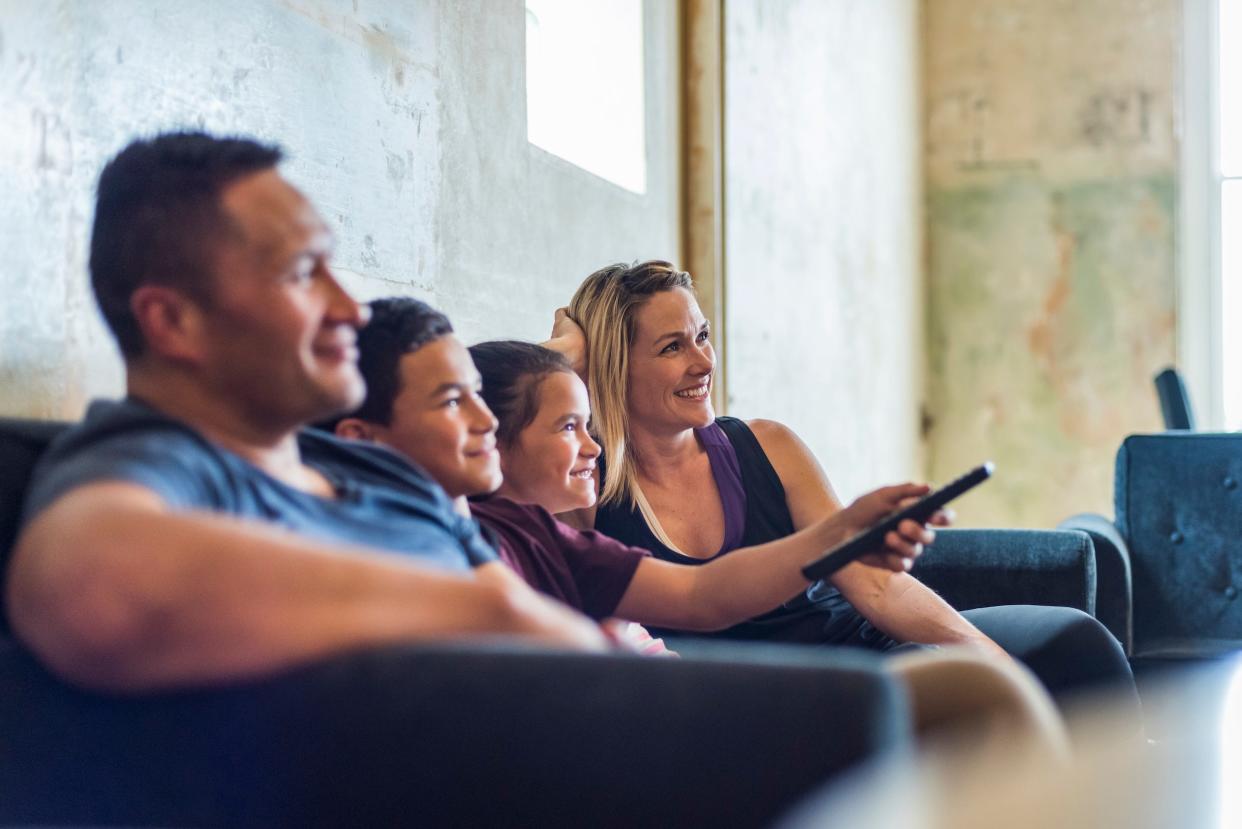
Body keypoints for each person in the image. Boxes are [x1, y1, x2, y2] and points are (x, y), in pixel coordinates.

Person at [5, 131, 614, 693]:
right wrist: (489, 615)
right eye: (302, 273)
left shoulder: (390, 473)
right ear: (172, 323)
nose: (351, 308)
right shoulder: (158, 462)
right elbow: (92, 585)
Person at [330, 297, 1070, 754]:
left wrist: (839, 532)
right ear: (364, 442)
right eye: (454, 403)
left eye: (479, 400)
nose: (484, 421)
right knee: (975, 700)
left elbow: (703, 592)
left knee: (1004, 677)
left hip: (668, 711)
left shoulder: (546, 537)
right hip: (628, 736)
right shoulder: (399, 539)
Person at [555, 260, 1140, 711]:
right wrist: (560, 358)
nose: (703, 362)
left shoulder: (767, 446)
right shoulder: (584, 484)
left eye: (702, 336)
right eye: (672, 347)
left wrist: (984, 652)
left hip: (863, 647)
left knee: (1077, 645)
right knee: (948, 698)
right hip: (774, 696)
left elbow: (876, 588)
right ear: (613, 366)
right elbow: (504, 479)